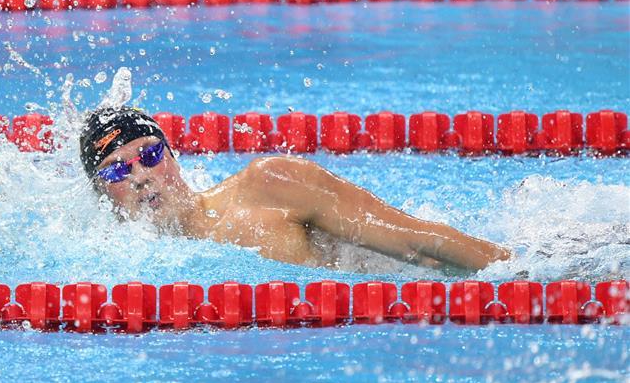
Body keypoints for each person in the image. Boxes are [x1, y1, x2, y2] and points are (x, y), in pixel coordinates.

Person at [79, 106, 511, 273]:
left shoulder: (268, 185)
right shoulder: (120, 269)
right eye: (117, 172)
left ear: (173, 155)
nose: (140, 175)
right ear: (102, 194)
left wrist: (523, 276)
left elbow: (419, 241)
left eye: (150, 154)